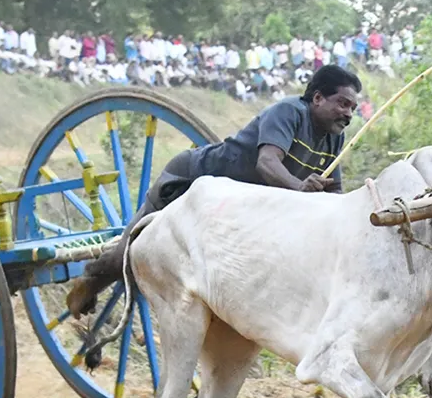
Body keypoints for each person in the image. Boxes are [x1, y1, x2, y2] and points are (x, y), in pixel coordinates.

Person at [65, 64, 362, 316]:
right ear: (318, 98)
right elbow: (267, 163)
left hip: (229, 209)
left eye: (353, 108)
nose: (348, 113)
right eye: (342, 103)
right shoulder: (288, 113)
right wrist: (301, 188)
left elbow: (334, 195)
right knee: (131, 252)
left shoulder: (335, 139)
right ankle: (91, 279)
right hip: (189, 182)